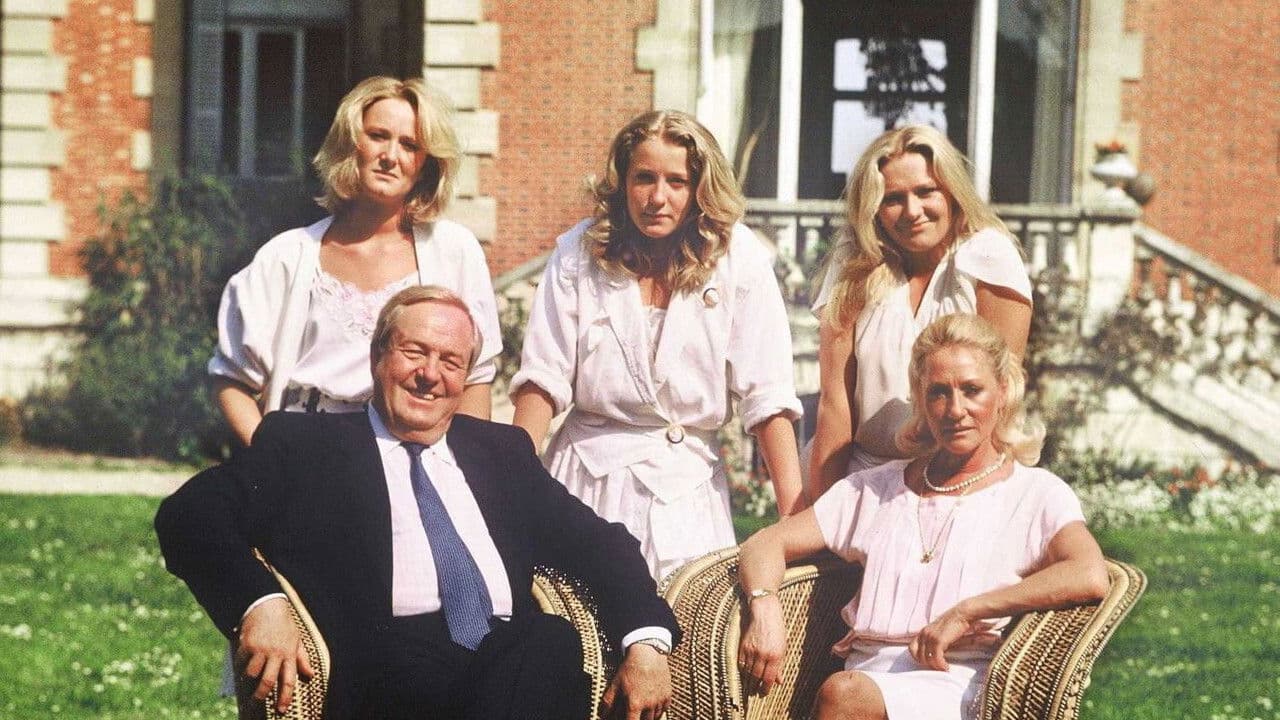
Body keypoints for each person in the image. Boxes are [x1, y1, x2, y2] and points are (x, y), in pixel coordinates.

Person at [157, 286, 678, 720]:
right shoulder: (309, 446)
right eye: (414, 352)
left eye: (451, 361)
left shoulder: (501, 453)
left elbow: (601, 544)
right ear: (377, 357)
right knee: (533, 657)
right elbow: (191, 513)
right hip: (393, 673)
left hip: (513, 664)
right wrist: (260, 603)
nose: (430, 374)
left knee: (548, 644)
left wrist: (646, 642)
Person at [736, 313, 1109, 720]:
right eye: (938, 393)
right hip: (863, 682)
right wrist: (764, 606)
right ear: (921, 400)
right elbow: (765, 543)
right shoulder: (876, 490)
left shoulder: (1033, 494)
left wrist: (969, 611)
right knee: (845, 693)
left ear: (1003, 391)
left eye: (972, 390)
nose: (955, 410)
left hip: (960, 684)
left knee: (843, 694)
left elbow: (1088, 573)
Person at [510, 110, 804, 582]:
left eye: (677, 181)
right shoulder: (579, 253)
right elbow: (542, 379)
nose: (657, 197)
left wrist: (794, 522)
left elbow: (767, 397)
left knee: (687, 622)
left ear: (700, 188)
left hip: (687, 494)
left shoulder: (739, 258)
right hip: (586, 481)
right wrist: (512, 487)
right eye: (644, 178)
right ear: (623, 182)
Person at [210, 76, 501, 448]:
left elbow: (475, 378)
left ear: (426, 164)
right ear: (351, 145)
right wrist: (271, 456)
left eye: (409, 145)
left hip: (415, 453)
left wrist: (462, 466)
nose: (390, 156)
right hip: (306, 450)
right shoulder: (286, 256)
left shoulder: (454, 252)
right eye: (378, 136)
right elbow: (231, 378)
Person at [807, 124, 1032, 499]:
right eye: (893, 199)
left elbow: (1000, 399)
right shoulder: (855, 265)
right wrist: (821, 510)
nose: (912, 212)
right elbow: (834, 406)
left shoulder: (988, 257)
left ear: (952, 191)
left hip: (960, 480)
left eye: (926, 192)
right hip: (862, 480)